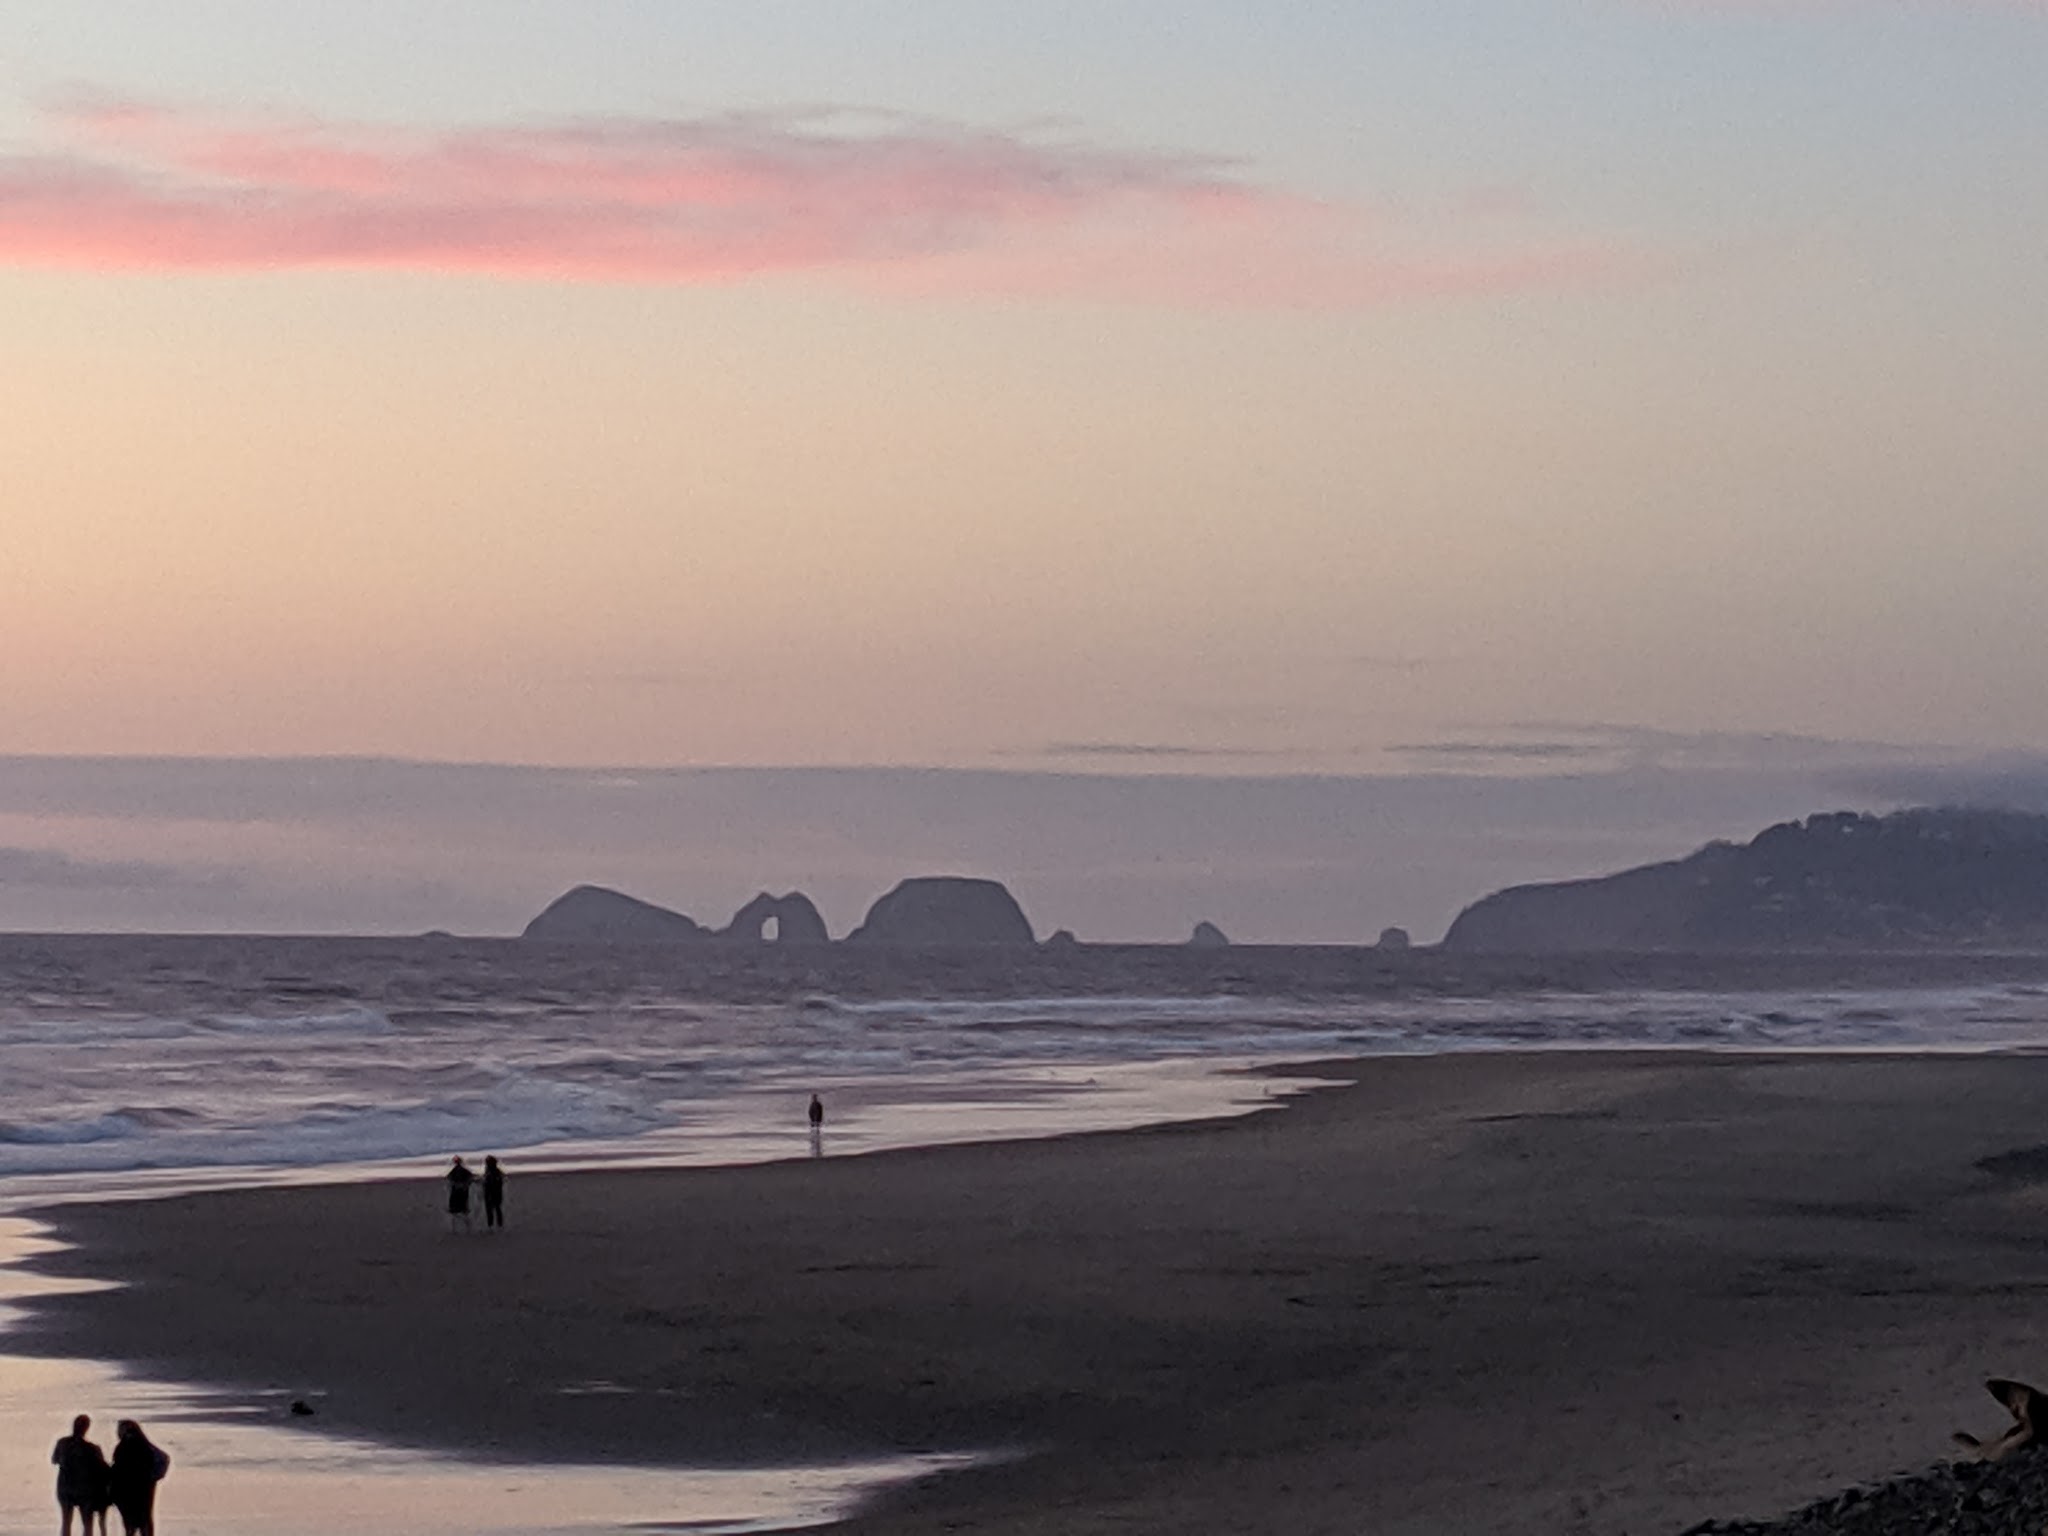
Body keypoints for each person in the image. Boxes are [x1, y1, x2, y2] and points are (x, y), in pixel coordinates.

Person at [106, 1420, 167, 1536]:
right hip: (146, 1486)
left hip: (129, 1488)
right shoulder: (145, 1444)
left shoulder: (124, 1446)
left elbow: (119, 1468)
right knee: (145, 1518)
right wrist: (153, 1477)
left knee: (131, 1521)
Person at [51, 1414, 107, 1536]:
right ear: (87, 1428)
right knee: (87, 1522)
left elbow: (54, 1460)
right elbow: (103, 1469)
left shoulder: (62, 1443)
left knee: (66, 1521)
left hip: (65, 1487)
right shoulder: (92, 1448)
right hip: (84, 1489)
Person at [446, 1155, 475, 1231]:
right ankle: (465, 1228)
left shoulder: (456, 1171)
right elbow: (471, 1178)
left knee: (456, 1212)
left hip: (459, 1193)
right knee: (461, 1212)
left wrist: (462, 1185)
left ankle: (456, 1229)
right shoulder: (459, 1171)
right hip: (460, 1192)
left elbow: (449, 1179)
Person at [481, 1154, 505, 1229]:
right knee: (495, 1209)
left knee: (493, 1209)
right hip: (494, 1193)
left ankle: (494, 1225)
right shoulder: (495, 1171)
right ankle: (496, 1225)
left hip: (492, 1193)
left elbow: (493, 1182)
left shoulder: (493, 1172)